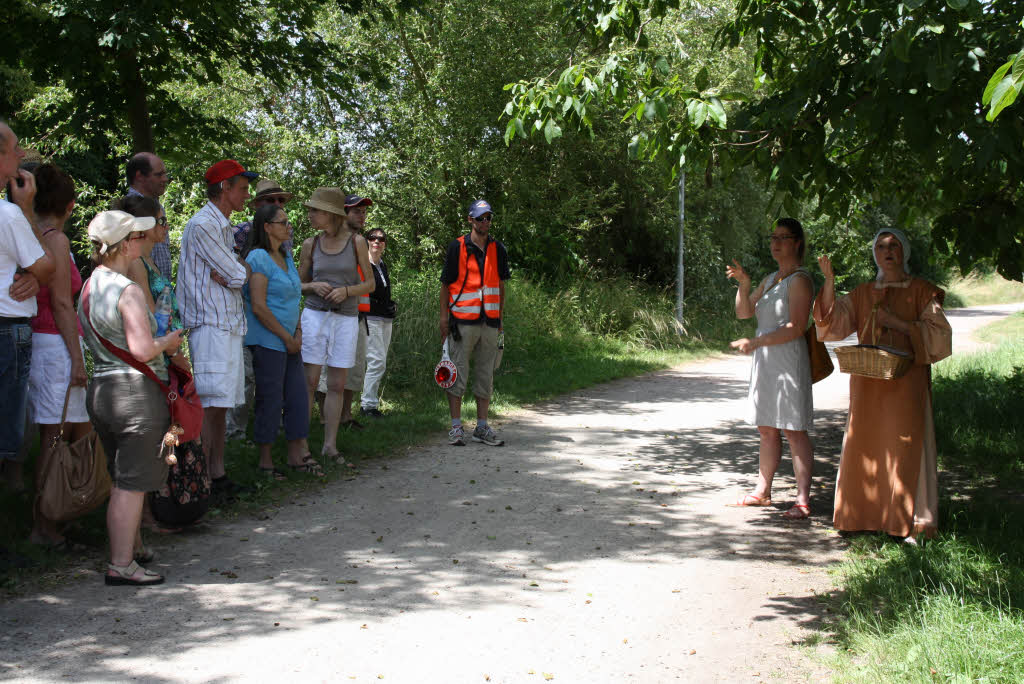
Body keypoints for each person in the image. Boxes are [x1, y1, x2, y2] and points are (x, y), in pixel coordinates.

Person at [814, 229, 952, 542]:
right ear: (874, 253)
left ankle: (912, 521)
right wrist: (831, 282)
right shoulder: (862, 293)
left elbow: (940, 336)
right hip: (868, 383)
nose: (887, 251)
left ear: (905, 251)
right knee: (864, 443)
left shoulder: (921, 291)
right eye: (880, 246)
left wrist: (900, 325)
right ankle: (861, 517)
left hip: (907, 384)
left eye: (893, 246)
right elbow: (832, 325)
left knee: (905, 445)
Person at [79, 210, 184, 585]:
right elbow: (142, 348)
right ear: (125, 245)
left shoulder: (90, 286)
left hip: (103, 390)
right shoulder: (128, 290)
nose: (143, 241)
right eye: (138, 237)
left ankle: (130, 551)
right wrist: (169, 342)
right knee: (131, 483)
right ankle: (122, 564)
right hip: (135, 394)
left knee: (122, 477)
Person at [726, 218, 815, 519]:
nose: (775, 243)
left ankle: (802, 498)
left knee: (793, 429)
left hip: (788, 359)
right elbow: (744, 312)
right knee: (766, 428)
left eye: (783, 237)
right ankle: (763, 491)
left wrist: (758, 341)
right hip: (765, 359)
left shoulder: (800, 279)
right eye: (772, 237)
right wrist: (744, 284)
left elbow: (797, 327)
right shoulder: (771, 278)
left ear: (797, 243)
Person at [177, 160, 255, 497]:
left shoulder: (222, 226)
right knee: (211, 403)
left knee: (222, 402)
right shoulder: (204, 225)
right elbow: (239, 276)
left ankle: (216, 474)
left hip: (226, 324)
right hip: (210, 325)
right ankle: (203, 478)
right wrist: (238, 272)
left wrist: (238, 271)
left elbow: (240, 273)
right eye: (242, 187)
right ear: (224, 187)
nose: (247, 194)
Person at [25, 164, 92, 547]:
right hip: (55, 344)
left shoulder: (29, 233)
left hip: (38, 340)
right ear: (68, 205)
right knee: (55, 436)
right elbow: (64, 305)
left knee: (53, 434)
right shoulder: (57, 240)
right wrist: (77, 360)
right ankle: (44, 525)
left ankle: (54, 515)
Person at [298, 187, 374, 462]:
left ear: (330, 213)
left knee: (337, 385)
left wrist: (347, 291)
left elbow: (370, 283)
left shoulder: (357, 242)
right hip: (315, 316)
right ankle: (302, 446)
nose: (309, 215)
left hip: (345, 318)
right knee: (308, 382)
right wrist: (312, 286)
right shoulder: (310, 244)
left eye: (314, 210)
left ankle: (330, 445)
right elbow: (297, 284)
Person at [241, 205, 319, 477]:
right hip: (268, 341)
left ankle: (296, 456)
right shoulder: (258, 257)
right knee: (270, 399)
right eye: (283, 222)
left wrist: (297, 333)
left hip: (290, 341)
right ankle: (265, 463)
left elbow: (293, 297)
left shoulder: (285, 257)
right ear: (266, 226)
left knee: (298, 396)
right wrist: (286, 337)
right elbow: (259, 306)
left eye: (289, 221)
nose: (289, 227)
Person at [0, 120, 55, 490]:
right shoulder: (8, 215)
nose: (22, 154)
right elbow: (47, 265)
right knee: (5, 435)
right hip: (7, 331)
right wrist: (24, 207)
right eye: (14, 148)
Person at [439, 200, 510, 447]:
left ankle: (481, 427)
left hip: (490, 323)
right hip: (462, 322)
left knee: (485, 375)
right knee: (457, 372)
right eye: (480, 218)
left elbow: (501, 286)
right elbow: (446, 285)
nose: (485, 222)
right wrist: (443, 319)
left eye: (488, 217)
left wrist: (500, 320)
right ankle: (456, 427)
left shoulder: (498, 249)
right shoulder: (457, 247)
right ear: (470, 219)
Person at [227, 178, 294, 440]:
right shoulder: (239, 233)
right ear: (256, 205)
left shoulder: (286, 236)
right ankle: (235, 432)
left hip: (277, 317)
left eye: (280, 200)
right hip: (244, 315)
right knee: (245, 376)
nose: (276, 204)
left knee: (272, 376)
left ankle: (269, 427)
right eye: (270, 200)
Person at [338, 194, 373, 428]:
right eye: (356, 211)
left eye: (363, 212)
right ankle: (324, 417)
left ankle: (346, 417)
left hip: (359, 315)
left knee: (355, 368)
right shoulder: (333, 241)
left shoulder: (360, 241)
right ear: (343, 213)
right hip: (337, 312)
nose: (362, 216)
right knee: (328, 373)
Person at [356, 226, 397, 418]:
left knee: (381, 361)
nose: (376, 242)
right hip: (369, 319)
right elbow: (361, 293)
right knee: (376, 361)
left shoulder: (382, 265)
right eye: (372, 238)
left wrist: (390, 304)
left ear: (384, 244)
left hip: (385, 319)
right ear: (367, 241)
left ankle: (370, 403)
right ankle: (368, 406)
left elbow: (383, 293)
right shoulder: (363, 264)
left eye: (381, 239)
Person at [125, 152, 172, 279]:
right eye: (159, 175)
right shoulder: (129, 210)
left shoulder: (156, 205)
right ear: (139, 176)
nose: (165, 179)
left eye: (164, 174)